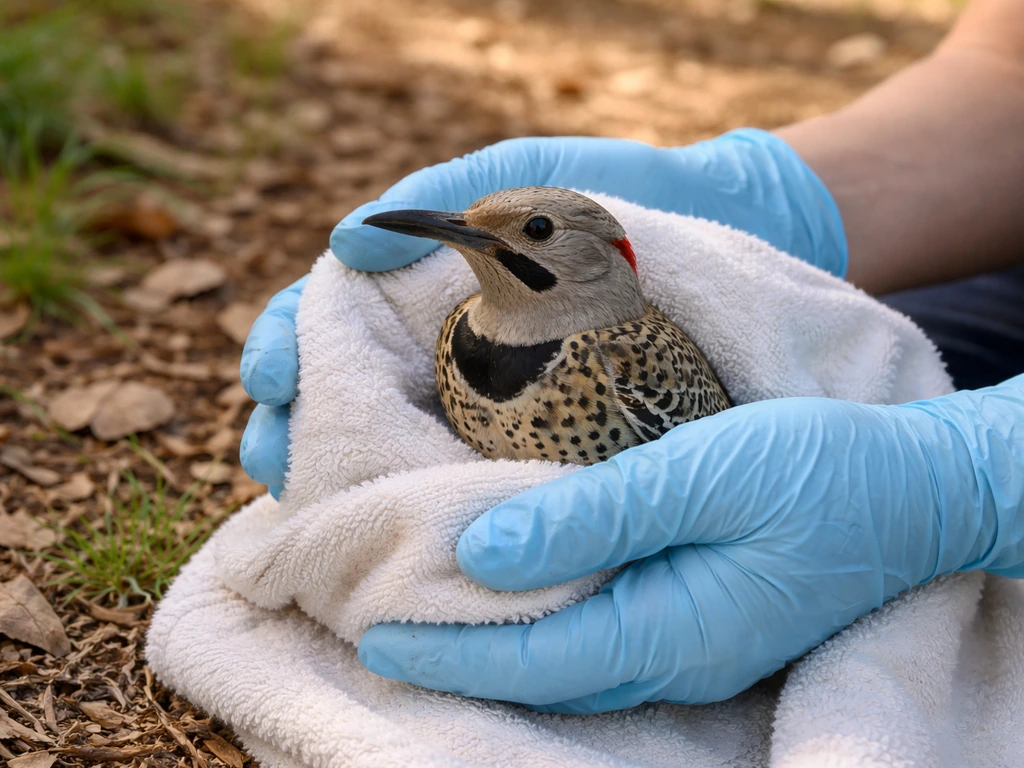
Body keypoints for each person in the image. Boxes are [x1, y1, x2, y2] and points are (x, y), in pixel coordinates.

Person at [237, 0, 1024, 713]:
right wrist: (793, 194)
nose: (486, 239)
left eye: (535, 233)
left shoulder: (620, 361)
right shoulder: (458, 332)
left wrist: (971, 479)